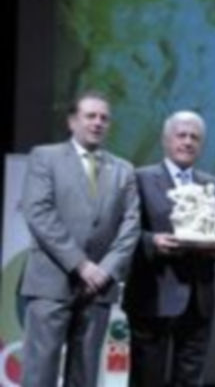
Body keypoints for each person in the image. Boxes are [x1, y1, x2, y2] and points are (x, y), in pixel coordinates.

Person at [19, 91, 140, 387]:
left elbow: (131, 225)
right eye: (90, 116)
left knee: (85, 374)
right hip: (52, 283)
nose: (98, 123)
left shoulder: (123, 169)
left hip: (98, 288)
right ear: (72, 121)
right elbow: (39, 213)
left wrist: (106, 270)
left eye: (104, 118)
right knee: (40, 372)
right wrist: (81, 265)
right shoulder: (45, 157)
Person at [122, 110, 215, 386]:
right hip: (153, 294)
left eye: (194, 137)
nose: (188, 142)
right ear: (165, 140)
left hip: (200, 298)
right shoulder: (139, 178)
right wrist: (152, 242)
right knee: (147, 377)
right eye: (181, 135)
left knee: (189, 378)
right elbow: (124, 232)